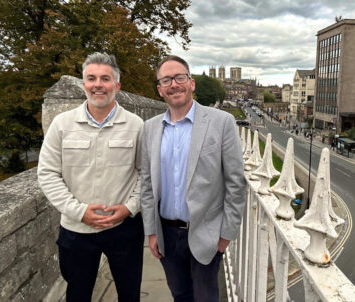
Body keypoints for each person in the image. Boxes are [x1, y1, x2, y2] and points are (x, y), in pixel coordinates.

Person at [37, 52, 144, 301]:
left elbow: (146, 174)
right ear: (84, 84)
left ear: (116, 85)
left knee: (130, 295)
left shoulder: (136, 125)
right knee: (77, 295)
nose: (98, 84)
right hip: (76, 230)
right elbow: (47, 173)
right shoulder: (62, 124)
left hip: (124, 229)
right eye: (91, 78)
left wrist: (129, 208)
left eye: (105, 78)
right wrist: (79, 211)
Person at [141, 55, 246, 302]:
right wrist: (151, 231)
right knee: (179, 295)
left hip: (206, 234)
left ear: (191, 83)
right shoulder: (150, 128)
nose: (174, 84)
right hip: (166, 233)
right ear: (160, 89)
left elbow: (235, 182)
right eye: (166, 80)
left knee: (206, 297)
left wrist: (226, 235)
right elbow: (147, 183)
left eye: (180, 77)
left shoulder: (222, 122)